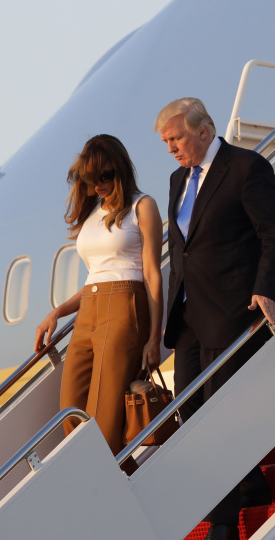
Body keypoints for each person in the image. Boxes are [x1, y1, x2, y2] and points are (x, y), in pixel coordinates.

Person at [156, 97, 275, 540]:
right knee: (189, 411)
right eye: (166, 142)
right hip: (189, 315)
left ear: (203, 131)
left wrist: (268, 289)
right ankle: (250, 486)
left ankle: (222, 521)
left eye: (175, 138)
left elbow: (274, 233)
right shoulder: (178, 179)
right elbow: (183, 249)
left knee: (220, 413)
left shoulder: (246, 168)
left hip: (232, 310)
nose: (171, 148)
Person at [34, 134, 163, 459]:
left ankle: (113, 489)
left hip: (124, 309)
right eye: (91, 180)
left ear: (120, 170)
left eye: (105, 177)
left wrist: (154, 337)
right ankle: (120, 478)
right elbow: (96, 276)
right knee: (71, 411)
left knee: (105, 420)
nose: (98, 186)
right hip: (89, 313)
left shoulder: (141, 206)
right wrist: (58, 311)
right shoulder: (92, 212)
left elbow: (151, 273)